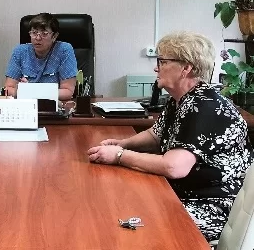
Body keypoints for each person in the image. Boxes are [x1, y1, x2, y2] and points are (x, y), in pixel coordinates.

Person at [87, 32, 254, 242]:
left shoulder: (204, 107)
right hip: (186, 193)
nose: (156, 68)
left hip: (212, 205)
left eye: (163, 61)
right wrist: (123, 143)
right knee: (117, 205)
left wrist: (119, 155)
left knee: (128, 228)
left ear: (186, 68)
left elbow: (174, 167)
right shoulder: (180, 100)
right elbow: (155, 135)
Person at [4, 13, 77, 100]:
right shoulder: (20, 52)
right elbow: (8, 89)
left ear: (54, 36)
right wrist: (23, 91)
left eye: (44, 33)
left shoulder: (64, 50)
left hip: (53, 104)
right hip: (27, 104)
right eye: (34, 33)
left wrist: (29, 91)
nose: (38, 38)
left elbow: (68, 91)